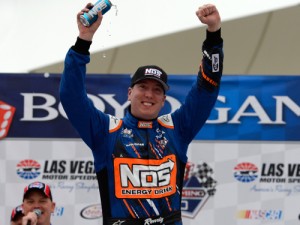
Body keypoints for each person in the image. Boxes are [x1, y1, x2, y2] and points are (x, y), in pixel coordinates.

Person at [60, 3, 223, 225]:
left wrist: (214, 35)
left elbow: (207, 89)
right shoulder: (106, 131)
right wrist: (83, 40)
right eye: (143, 87)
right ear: (129, 92)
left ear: (164, 100)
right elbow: (71, 98)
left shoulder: (177, 129)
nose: (149, 94)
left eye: (157, 90)